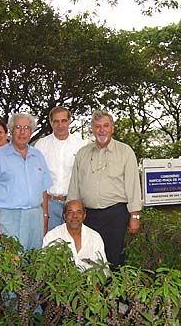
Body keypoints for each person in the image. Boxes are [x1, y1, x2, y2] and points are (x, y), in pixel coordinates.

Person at [67, 109, 142, 270]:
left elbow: (133, 185)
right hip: (89, 216)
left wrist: (134, 215)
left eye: (105, 126)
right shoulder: (82, 153)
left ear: (112, 128)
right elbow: (75, 185)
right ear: (93, 129)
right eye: (97, 126)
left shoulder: (125, 152)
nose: (102, 130)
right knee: (89, 258)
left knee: (113, 258)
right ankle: (92, 294)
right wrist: (71, 213)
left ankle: (114, 295)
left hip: (115, 215)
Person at [0, 113, 52, 251]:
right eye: (18, 127)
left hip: (35, 218)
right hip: (8, 219)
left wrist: (45, 218)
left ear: (31, 132)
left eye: (26, 127)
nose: (22, 132)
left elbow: (43, 190)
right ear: (11, 131)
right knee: (10, 262)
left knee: (33, 260)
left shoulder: (38, 156)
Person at [35, 106, 85, 231]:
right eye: (56, 121)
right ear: (51, 122)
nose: (60, 125)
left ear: (69, 121)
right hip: (49, 203)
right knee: (51, 244)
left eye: (63, 120)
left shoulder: (81, 145)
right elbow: (37, 178)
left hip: (73, 204)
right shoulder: (41, 145)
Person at [43, 200, 107, 271]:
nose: (75, 216)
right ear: (64, 216)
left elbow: (103, 269)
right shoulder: (52, 236)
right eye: (70, 212)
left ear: (84, 216)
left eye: (78, 212)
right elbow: (45, 267)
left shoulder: (95, 237)